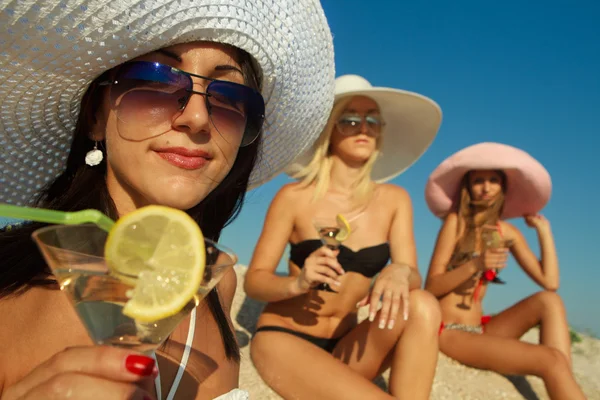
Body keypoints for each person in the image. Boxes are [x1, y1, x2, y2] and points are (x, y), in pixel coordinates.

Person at [0, 0, 335, 399]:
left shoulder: (218, 283)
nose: (197, 118)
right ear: (95, 116)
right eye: (156, 80)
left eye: (230, 98)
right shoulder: (10, 286)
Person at [244, 74, 443, 399]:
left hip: (348, 346)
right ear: (330, 129)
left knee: (424, 304)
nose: (363, 128)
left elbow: (413, 276)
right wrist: (296, 283)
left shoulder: (395, 200)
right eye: (350, 120)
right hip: (286, 338)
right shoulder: (294, 197)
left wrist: (398, 271)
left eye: (372, 121)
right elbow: (254, 281)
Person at [424, 142, 586, 400]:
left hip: (481, 330)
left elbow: (550, 282)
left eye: (493, 180)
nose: (486, 187)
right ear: (468, 186)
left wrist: (544, 232)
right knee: (549, 360)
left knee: (550, 301)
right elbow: (431, 287)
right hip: (449, 331)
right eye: (478, 180)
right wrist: (476, 264)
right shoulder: (455, 224)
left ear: (503, 187)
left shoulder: (505, 233)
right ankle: (562, 380)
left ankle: (563, 383)